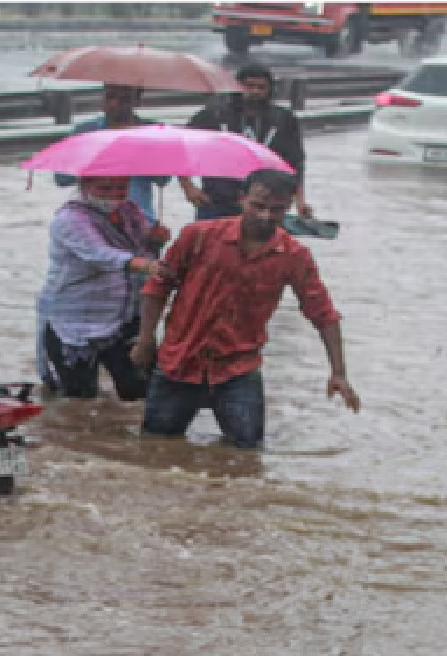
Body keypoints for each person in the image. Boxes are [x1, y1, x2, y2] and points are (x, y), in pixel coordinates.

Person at [130, 168, 359, 449]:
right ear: (241, 199)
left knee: (248, 454)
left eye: (276, 210)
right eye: (258, 206)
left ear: (288, 208)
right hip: (180, 361)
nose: (265, 216)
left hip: (238, 367)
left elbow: (322, 314)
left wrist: (338, 372)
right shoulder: (198, 236)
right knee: (155, 448)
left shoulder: (294, 256)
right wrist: (145, 340)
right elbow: (158, 288)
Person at [37, 175, 169, 401]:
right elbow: (100, 254)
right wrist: (146, 265)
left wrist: (155, 241)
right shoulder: (69, 219)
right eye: (105, 188)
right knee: (78, 402)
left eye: (121, 187)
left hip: (124, 316)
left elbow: (143, 250)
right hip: (73, 324)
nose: (114, 194)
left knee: (142, 393)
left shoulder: (131, 211)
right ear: (84, 185)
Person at [179, 63, 314, 222]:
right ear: (237, 87)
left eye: (261, 87)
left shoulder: (284, 119)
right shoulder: (214, 114)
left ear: (269, 90)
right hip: (217, 201)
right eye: (249, 86)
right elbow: (183, 148)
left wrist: (300, 200)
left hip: (265, 204)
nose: (255, 91)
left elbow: (295, 162)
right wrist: (188, 187)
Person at [53, 84, 171, 223]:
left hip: (139, 221)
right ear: (102, 99)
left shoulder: (152, 132)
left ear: (137, 101)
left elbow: (163, 178)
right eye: (110, 97)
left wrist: (140, 155)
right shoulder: (86, 131)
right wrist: (97, 161)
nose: (115, 104)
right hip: (94, 221)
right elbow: (61, 178)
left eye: (124, 99)